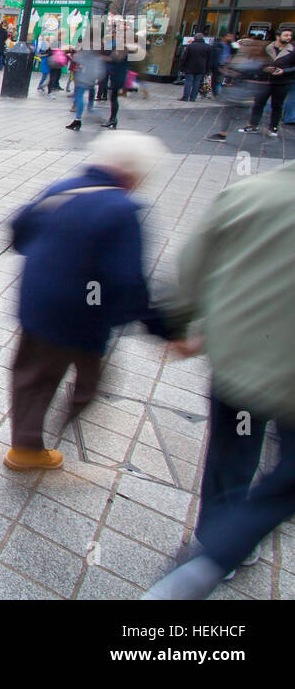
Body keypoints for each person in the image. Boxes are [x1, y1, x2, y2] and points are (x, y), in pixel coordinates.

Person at [143, 159, 295, 599]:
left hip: (242, 363)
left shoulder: (250, 194)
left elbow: (192, 269)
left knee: (234, 448)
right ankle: (231, 544)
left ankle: (215, 539)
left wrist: (176, 324)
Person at [5, 131, 173, 471]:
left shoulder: (61, 188)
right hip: (80, 315)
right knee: (85, 375)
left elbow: (17, 229)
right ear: (133, 174)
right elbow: (128, 280)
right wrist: (162, 329)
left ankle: (25, 443)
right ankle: (32, 445)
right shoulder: (122, 209)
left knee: (29, 373)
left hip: (35, 302)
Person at [239, 30, 295, 137]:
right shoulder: (266, 48)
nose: (289, 37)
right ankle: (252, 125)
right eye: (286, 35)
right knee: (258, 103)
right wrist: (264, 68)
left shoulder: (292, 51)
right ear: (278, 36)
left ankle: (273, 128)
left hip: (282, 82)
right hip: (264, 81)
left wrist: (284, 71)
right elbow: (256, 61)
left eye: (290, 35)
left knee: (277, 105)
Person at [65, 44, 105, 131]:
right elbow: (100, 71)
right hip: (91, 81)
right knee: (87, 102)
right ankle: (93, 113)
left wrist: (72, 54)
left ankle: (78, 119)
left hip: (83, 79)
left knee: (78, 98)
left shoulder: (86, 53)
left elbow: (76, 58)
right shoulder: (97, 57)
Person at [180, 33, 210, 102]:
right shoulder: (208, 47)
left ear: (195, 38)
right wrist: (207, 70)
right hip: (201, 68)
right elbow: (209, 59)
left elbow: (184, 58)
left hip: (189, 67)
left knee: (188, 82)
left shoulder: (190, 46)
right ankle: (193, 98)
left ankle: (185, 97)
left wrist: (182, 67)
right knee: (197, 83)